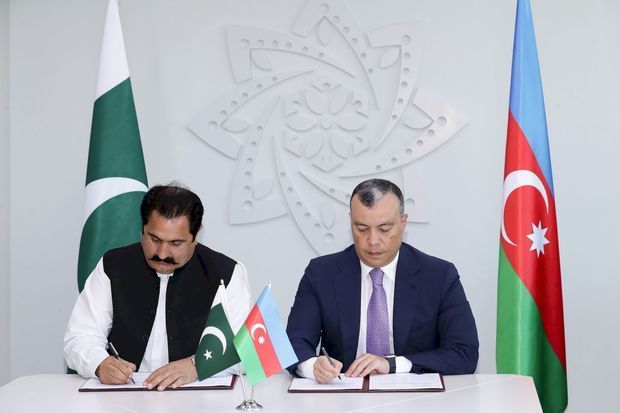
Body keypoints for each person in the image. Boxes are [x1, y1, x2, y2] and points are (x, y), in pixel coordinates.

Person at [286, 178, 478, 383]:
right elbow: (293, 343)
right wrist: (313, 366)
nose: (373, 241)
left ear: (403, 223)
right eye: (362, 228)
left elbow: (464, 353)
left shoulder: (439, 276)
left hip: (415, 396)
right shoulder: (321, 274)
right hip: (343, 395)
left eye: (384, 229)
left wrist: (393, 364)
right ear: (350, 222)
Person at [64, 184, 251, 390]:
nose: (162, 253)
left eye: (175, 243)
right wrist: (100, 363)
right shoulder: (113, 266)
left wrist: (196, 366)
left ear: (196, 235)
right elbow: (79, 337)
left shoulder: (225, 273)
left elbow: (247, 350)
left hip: (196, 397)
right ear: (142, 229)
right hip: (121, 397)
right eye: (154, 239)